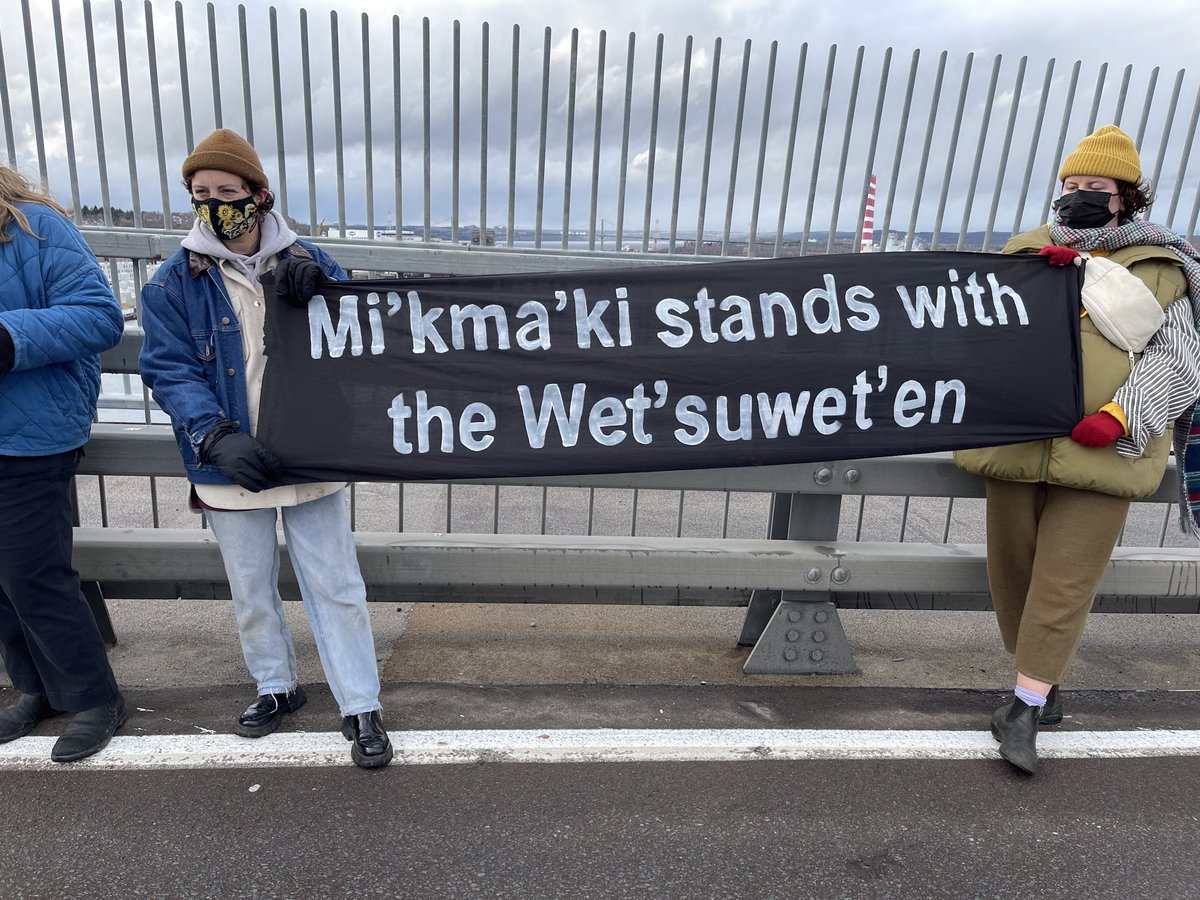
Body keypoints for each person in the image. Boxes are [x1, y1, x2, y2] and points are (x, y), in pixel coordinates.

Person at [138, 129, 393, 769]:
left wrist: (327, 287)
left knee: (336, 584)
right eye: (202, 194)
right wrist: (214, 435)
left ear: (259, 194)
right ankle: (275, 686)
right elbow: (169, 368)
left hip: (308, 451)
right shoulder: (172, 282)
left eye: (228, 191)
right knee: (251, 587)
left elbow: (359, 331)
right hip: (229, 460)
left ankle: (360, 703)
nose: (215, 205)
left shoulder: (307, 259)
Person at [956, 125, 1200, 775]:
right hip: (1016, 442)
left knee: (1065, 579)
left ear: (1125, 198)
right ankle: (1039, 678)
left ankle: (1024, 707)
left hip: (1102, 452)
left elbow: (1178, 359)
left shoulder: (1163, 268)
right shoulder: (1025, 253)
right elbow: (980, 331)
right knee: (1012, 574)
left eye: (1096, 187)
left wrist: (1124, 414)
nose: (1080, 196)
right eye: (1072, 186)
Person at [0, 165, 127, 762]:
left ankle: (95, 695)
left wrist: (7, 337)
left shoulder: (38, 227)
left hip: (31, 434)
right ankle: (34, 689)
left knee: (32, 573)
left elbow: (100, 317)